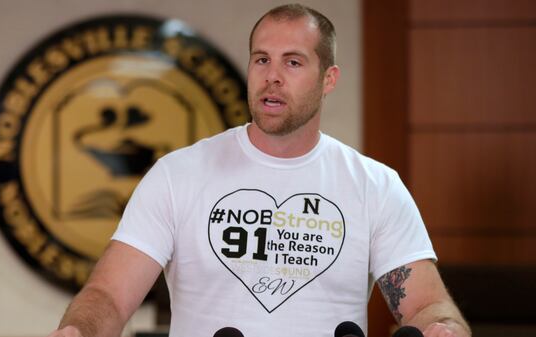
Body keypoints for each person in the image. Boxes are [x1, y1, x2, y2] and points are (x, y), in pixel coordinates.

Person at [48, 4, 471, 337]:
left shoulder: (375, 186)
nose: (271, 77)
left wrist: (445, 328)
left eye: (292, 62)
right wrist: (79, 330)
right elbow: (109, 296)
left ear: (329, 79)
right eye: (261, 60)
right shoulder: (178, 174)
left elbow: (423, 304)